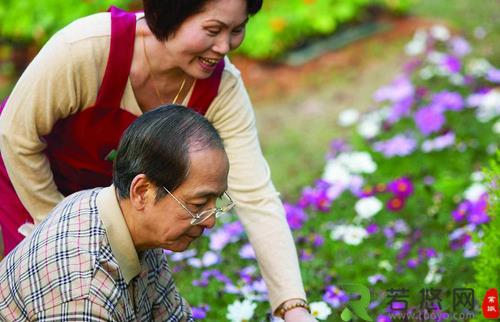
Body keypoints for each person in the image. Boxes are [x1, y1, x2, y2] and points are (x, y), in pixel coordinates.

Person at [0, 0, 314, 320]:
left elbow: (257, 197)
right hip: (32, 180)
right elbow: (16, 136)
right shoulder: (85, 49)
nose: (224, 46)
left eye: (237, 30)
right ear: (170, 13)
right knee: (55, 293)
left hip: (123, 201)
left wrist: (293, 308)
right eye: (213, 30)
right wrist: (65, 233)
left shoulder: (222, 89)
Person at [0, 105, 231, 321]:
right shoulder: (84, 291)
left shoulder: (129, 222)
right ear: (142, 191)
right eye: (199, 203)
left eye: (216, 200)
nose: (210, 220)